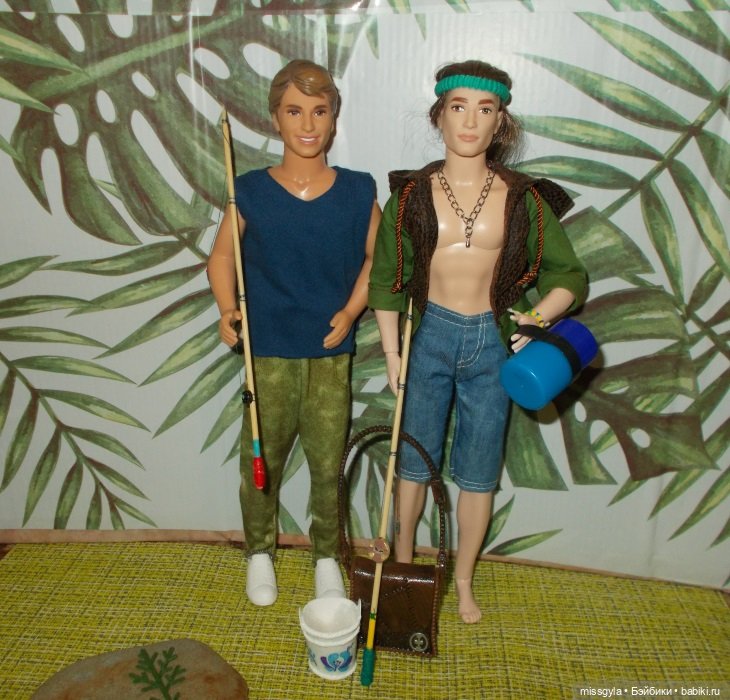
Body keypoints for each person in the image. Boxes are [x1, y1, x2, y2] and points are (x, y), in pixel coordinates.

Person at [368, 60, 587, 623]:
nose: (470, 121)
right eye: (458, 107)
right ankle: (404, 565)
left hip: (493, 342)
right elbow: (387, 280)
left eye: (484, 109)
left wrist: (534, 317)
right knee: (412, 462)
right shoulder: (411, 197)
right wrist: (393, 352)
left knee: (479, 471)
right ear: (438, 116)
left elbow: (569, 275)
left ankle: (463, 579)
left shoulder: (525, 199)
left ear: (500, 123)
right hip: (430, 337)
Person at [207, 59, 381, 606]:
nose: (307, 124)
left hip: (329, 353)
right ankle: (259, 551)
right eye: (294, 111)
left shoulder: (357, 191)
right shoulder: (249, 191)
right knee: (261, 458)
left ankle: (327, 555)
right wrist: (226, 309)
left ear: (333, 118)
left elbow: (378, 259)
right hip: (268, 352)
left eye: (319, 111)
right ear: (275, 118)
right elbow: (221, 258)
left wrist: (351, 311)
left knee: (328, 463)